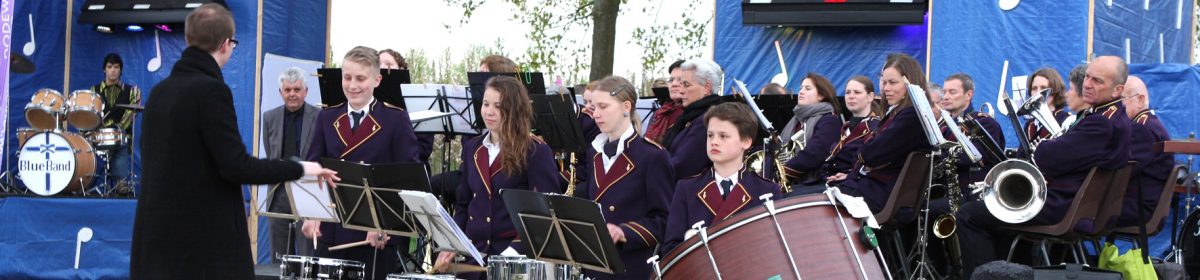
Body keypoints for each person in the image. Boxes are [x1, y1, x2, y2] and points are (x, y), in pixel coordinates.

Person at [130, 4, 337, 279]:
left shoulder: (159, 92)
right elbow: (237, 167)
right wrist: (300, 168)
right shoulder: (211, 91)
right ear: (226, 44)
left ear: (187, 39)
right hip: (199, 246)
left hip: (155, 240)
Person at [955, 56, 1132, 276]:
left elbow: (1048, 157)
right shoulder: (1111, 116)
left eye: (1097, 81)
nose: (1087, 84)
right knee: (989, 210)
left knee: (969, 214)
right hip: (1071, 202)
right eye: (1087, 77)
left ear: (1118, 90)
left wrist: (1047, 146)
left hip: (1061, 206)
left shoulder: (1102, 122)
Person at [300, 46, 422, 280]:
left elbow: (407, 179)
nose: (352, 85)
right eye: (347, 78)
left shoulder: (395, 119)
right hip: (331, 231)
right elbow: (314, 167)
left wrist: (385, 225)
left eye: (360, 78)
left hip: (375, 237)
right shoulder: (327, 117)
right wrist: (311, 213)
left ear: (377, 80)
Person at [434, 76, 560, 279]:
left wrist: (510, 255)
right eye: (485, 104)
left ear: (514, 110)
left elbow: (544, 214)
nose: (489, 111)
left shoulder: (536, 151)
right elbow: (464, 204)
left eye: (498, 106)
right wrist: (453, 243)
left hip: (514, 262)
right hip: (473, 258)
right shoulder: (472, 148)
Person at [571, 76, 673, 279]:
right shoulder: (594, 153)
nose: (596, 114)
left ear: (626, 106)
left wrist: (624, 232)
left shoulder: (652, 156)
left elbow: (664, 220)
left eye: (603, 107)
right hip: (594, 264)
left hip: (631, 267)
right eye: (593, 107)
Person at [660, 102, 782, 255]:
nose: (714, 141)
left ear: (746, 141)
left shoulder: (767, 190)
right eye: (710, 135)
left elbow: (774, 249)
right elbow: (670, 249)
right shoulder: (687, 188)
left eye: (723, 136)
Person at [836, 53, 934, 212]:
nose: (886, 88)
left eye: (893, 83)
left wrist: (865, 157)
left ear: (911, 83)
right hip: (873, 188)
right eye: (884, 82)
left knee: (801, 200)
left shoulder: (911, 115)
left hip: (879, 195)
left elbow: (871, 154)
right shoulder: (904, 112)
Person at [263, 67, 321, 261]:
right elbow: (271, 153)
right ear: (281, 92)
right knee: (278, 260)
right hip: (278, 195)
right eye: (287, 90)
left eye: (297, 89)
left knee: (307, 258)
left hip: (309, 194)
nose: (292, 94)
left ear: (306, 91)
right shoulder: (269, 118)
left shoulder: (320, 116)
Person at [1118, 75, 1174, 226]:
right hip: (1135, 203)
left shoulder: (1142, 128)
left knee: (1073, 208)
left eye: (1120, 100)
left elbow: (1119, 170)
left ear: (1140, 100)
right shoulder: (1148, 124)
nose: (1115, 107)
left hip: (1137, 207)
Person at [661, 59, 725, 180]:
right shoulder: (690, 116)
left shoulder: (708, 120)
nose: (680, 90)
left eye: (686, 85)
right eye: (681, 84)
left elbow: (682, 166)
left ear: (706, 88)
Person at [940, 73, 1005, 187]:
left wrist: (939, 158)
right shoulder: (943, 126)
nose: (945, 97)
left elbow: (974, 158)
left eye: (952, 92)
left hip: (970, 192)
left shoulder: (985, 123)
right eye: (944, 92)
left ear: (969, 94)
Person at [779, 73, 842, 188]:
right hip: (790, 182)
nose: (801, 92)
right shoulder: (796, 119)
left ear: (821, 95)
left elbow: (814, 154)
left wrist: (781, 171)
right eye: (801, 88)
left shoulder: (829, 120)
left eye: (807, 88)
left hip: (812, 184)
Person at [90, 53, 142, 191]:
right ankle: (83, 181)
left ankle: (121, 183)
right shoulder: (93, 91)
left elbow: (130, 115)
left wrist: (116, 129)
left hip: (122, 136)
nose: (113, 70)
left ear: (120, 70)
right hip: (99, 135)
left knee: (121, 138)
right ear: (104, 70)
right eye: (109, 66)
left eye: (116, 67)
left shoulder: (132, 91)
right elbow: (91, 115)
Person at [822, 76, 880, 186]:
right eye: (848, 92)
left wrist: (848, 176)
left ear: (870, 96)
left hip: (851, 185)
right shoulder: (847, 126)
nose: (851, 96)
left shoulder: (875, 126)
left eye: (857, 92)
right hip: (830, 180)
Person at [1024, 68, 1071, 142]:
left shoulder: (1066, 120)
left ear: (1055, 90)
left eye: (1043, 88)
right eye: (1034, 88)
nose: (1038, 92)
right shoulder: (1030, 125)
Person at [645, 60, 687, 143]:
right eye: (671, 80)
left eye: (680, 80)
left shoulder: (692, 114)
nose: (674, 84)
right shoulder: (660, 112)